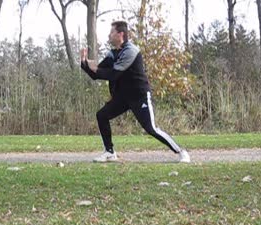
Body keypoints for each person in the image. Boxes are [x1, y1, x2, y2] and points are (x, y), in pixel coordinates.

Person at [80, 21, 190, 163]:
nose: (109, 35)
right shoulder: (113, 53)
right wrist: (84, 64)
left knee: (151, 129)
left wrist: (94, 68)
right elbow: (97, 74)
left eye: (112, 32)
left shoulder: (130, 51)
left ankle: (181, 152)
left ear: (121, 34)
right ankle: (109, 152)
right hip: (123, 97)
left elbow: (113, 74)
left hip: (140, 96)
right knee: (102, 115)